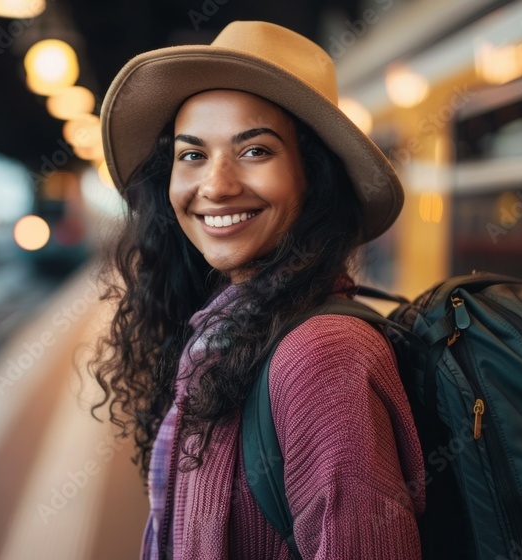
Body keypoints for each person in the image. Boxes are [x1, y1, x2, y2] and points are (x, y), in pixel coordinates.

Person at [88, 21, 426, 559]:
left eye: (255, 151)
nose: (216, 186)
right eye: (192, 155)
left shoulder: (322, 357)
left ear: (313, 177)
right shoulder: (220, 334)